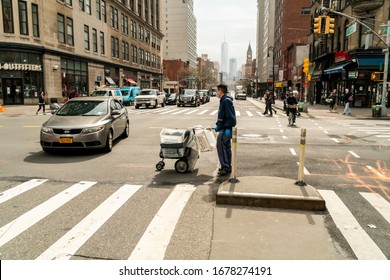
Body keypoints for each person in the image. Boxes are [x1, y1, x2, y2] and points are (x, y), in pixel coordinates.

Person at [215, 84, 237, 176]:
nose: (216, 92)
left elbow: (228, 117)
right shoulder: (225, 99)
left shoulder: (226, 101)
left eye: (217, 91)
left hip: (226, 128)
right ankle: (227, 166)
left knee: (221, 145)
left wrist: (219, 126)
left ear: (220, 91)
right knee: (226, 146)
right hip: (227, 128)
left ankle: (225, 167)